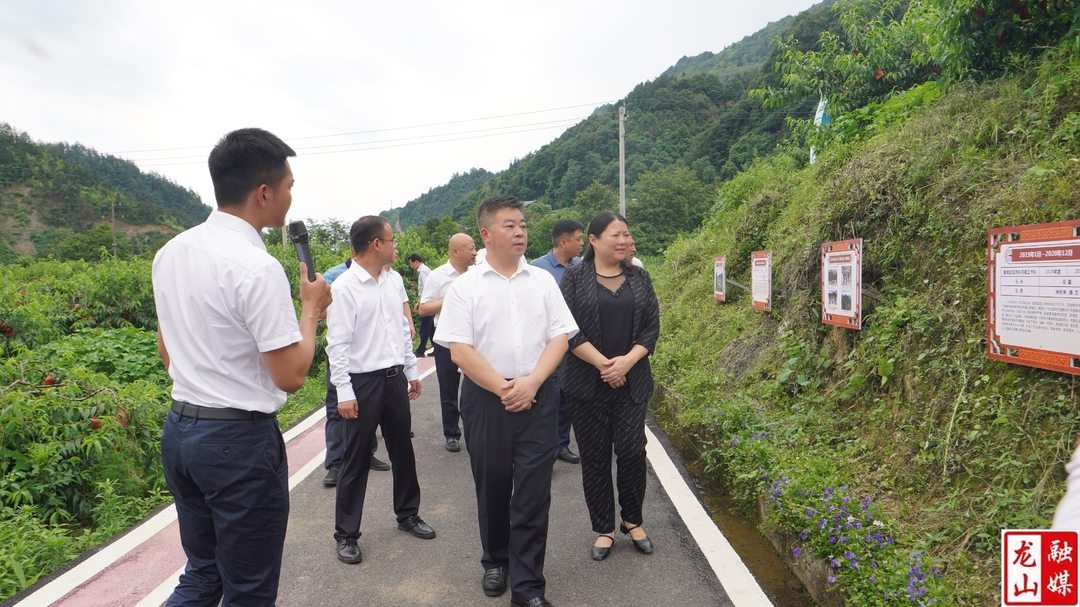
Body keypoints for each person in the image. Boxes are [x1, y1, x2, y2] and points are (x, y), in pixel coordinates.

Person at [153, 128, 333, 606]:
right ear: (264, 193)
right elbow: (291, 376)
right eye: (289, 186)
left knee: (203, 573)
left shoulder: (170, 253)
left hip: (182, 432)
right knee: (249, 589)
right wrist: (311, 310)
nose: (291, 197)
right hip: (238, 444)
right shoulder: (257, 267)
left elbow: (166, 352)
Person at [436, 196, 578, 607]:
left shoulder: (543, 281)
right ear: (486, 234)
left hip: (537, 396)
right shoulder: (465, 287)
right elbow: (459, 350)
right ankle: (495, 559)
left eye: (522, 224)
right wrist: (504, 388)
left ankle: (529, 587)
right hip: (485, 400)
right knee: (493, 486)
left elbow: (560, 337)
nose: (520, 231)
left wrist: (532, 382)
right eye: (509, 225)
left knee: (534, 492)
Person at [326, 216, 435, 565]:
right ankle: (346, 534)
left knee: (403, 449)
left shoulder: (394, 280)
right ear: (376, 244)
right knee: (355, 457)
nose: (396, 246)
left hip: (393, 378)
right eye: (392, 240)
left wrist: (410, 369)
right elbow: (338, 343)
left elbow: (403, 331)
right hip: (362, 382)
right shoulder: (344, 287)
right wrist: (344, 390)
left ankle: (407, 514)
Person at [558, 211, 660, 561]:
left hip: (631, 381)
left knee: (632, 452)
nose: (623, 241)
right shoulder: (574, 278)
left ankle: (632, 519)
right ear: (593, 240)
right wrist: (604, 364)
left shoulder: (640, 277)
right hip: (587, 383)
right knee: (596, 457)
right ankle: (604, 528)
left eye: (626, 234)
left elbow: (651, 328)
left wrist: (626, 363)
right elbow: (567, 329)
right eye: (615, 235)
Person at [321, 258, 390, 486]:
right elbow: (320, 310)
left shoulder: (383, 275)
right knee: (337, 411)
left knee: (367, 413)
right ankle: (335, 463)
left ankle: (367, 454)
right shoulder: (336, 276)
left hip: (369, 362)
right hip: (342, 357)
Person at [530, 218, 585, 465]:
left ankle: (562, 445)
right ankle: (546, 450)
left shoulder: (582, 266)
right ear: (564, 242)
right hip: (548, 346)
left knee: (566, 400)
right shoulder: (538, 269)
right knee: (548, 400)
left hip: (576, 345)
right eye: (579, 239)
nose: (582, 243)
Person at [418, 233, 476, 452]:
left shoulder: (478, 274)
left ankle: (475, 430)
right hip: (447, 340)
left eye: (475, 248)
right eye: (470, 248)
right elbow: (424, 309)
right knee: (449, 389)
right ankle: (451, 434)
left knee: (477, 386)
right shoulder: (437, 276)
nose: (474, 252)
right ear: (455, 251)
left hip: (474, 339)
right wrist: (451, 297)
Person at [409, 253, 434, 357]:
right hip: (427, 301)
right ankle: (435, 347)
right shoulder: (425, 270)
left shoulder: (423, 271)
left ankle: (420, 350)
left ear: (416, 262)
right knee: (431, 327)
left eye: (411, 264)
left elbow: (426, 288)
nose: (411, 267)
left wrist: (420, 303)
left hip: (427, 302)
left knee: (424, 327)